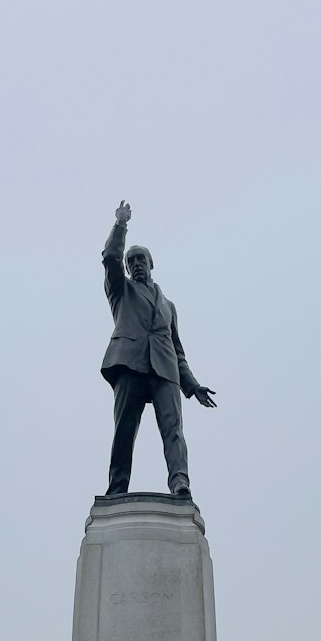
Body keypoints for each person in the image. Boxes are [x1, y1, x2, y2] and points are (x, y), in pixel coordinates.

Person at [100, 200, 216, 498]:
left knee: (173, 429)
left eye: (141, 260)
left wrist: (192, 386)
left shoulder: (169, 306)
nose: (136, 264)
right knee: (125, 429)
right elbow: (111, 256)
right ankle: (117, 487)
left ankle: (180, 483)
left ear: (151, 265)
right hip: (129, 363)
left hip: (165, 369)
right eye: (131, 261)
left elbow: (178, 351)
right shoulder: (120, 290)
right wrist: (120, 224)